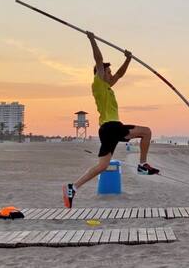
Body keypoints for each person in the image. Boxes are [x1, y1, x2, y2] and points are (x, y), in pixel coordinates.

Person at [62, 31, 159, 208]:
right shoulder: (98, 84)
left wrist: (128, 59)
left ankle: (73, 187)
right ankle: (142, 164)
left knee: (102, 166)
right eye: (108, 71)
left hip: (107, 130)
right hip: (112, 127)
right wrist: (92, 40)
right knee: (146, 132)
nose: (111, 74)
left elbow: (120, 75)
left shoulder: (107, 86)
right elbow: (99, 61)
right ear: (100, 73)